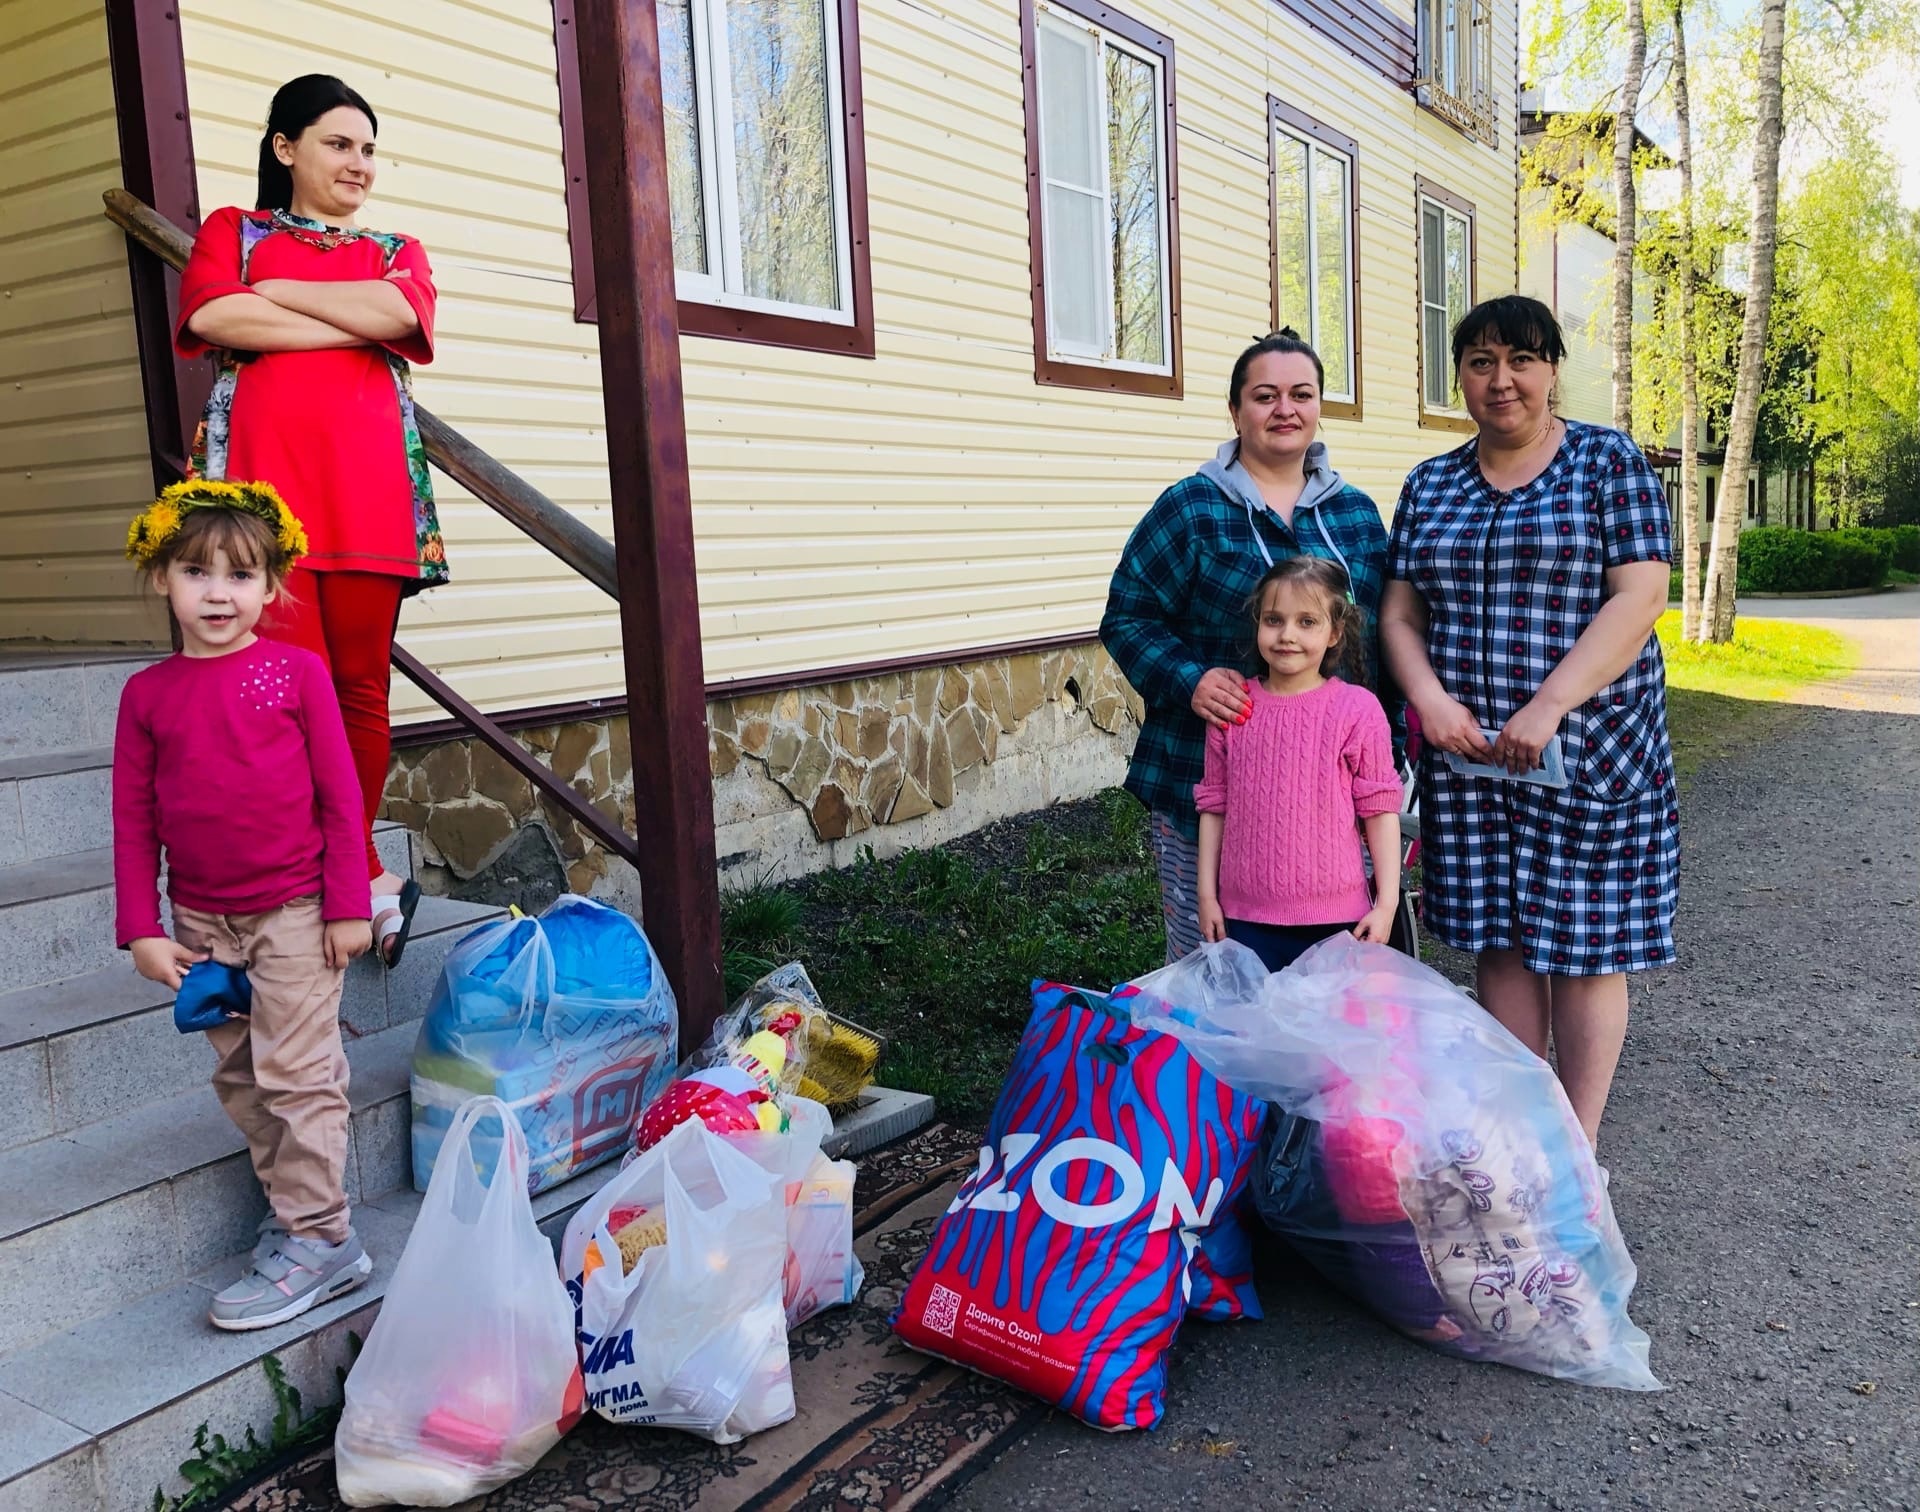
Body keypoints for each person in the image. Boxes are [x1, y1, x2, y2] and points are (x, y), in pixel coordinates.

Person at [1378, 294, 1677, 1150]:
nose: (1500, 380)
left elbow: (1642, 596)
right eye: (1480, 362)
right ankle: (1523, 1134)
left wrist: (1549, 705)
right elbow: (1399, 614)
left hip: (1590, 747)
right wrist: (1430, 701)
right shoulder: (1430, 483)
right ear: (1460, 377)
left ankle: (1576, 1150)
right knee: (1500, 939)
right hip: (1469, 755)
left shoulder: (1606, 463)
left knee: (1584, 945)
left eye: (1521, 360)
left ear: (1551, 370)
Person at [174, 74, 447, 967]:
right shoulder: (233, 231)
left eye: (368, 148)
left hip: (369, 495)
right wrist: (351, 319)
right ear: (286, 148)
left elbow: (405, 313)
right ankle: (341, 866)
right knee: (286, 689)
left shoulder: (397, 247)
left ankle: (355, 868)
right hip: (261, 506)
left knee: (362, 690)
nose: (358, 164)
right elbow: (215, 312)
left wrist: (278, 298)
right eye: (338, 144)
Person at [113, 482, 376, 1329]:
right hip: (200, 925)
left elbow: (340, 798)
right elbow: (132, 818)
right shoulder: (147, 696)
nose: (217, 593)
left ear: (273, 587)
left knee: (298, 1077)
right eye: (196, 572)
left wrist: (348, 905)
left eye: (239, 575)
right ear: (163, 580)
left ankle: (322, 1238)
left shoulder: (295, 673)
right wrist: (142, 929)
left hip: (298, 912)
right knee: (240, 1074)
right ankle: (298, 1214)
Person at [1102, 330, 1392, 963]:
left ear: (1319, 409)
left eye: (1301, 394)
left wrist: (1391, 743)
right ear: (1236, 411)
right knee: (1215, 968)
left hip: (1328, 807)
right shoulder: (1192, 509)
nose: (1284, 409)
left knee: (1326, 977)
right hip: (1205, 781)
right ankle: (1212, 1065)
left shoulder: (1357, 517)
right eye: (1265, 395)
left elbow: (1380, 640)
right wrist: (1189, 678)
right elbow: (1128, 617)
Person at [1194, 556, 1403, 973]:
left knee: (1328, 1037)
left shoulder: (1357, 710)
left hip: (1337, 921)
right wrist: (1207, 895)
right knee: (1256, 1034)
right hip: (1247, 920)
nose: (1287, 635)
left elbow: (1380, 810)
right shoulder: (1235, 708)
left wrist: (1388, 903)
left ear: (1335, 632)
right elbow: (1214, 806)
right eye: (1274, 620)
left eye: (1307, 622)